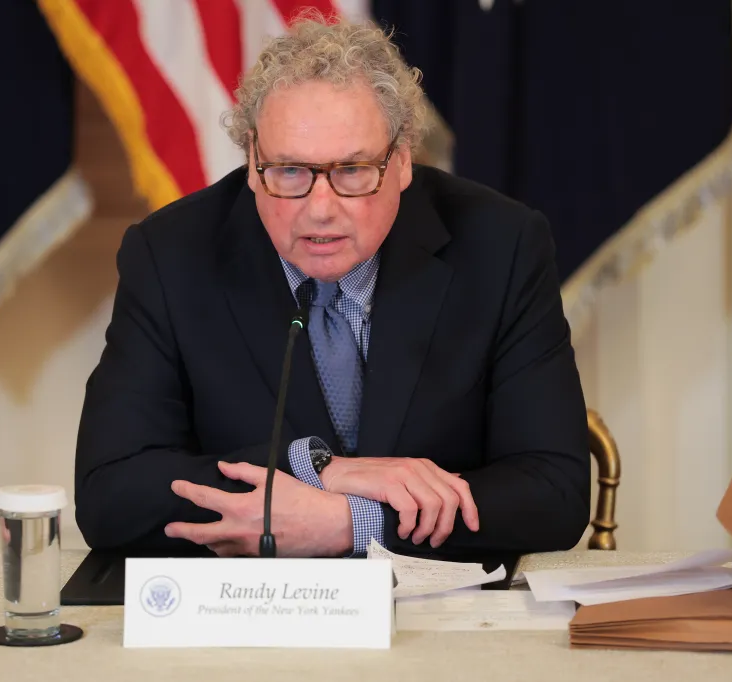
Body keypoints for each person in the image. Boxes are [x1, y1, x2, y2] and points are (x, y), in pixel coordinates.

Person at [74, 14, 590, 559]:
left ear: (402, 161)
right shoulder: (172, 254)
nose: (320, 210)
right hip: (248, 618)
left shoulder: (500, 245)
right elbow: (111, 492)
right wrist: (318, 469)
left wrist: (354, 522)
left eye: (353, 170)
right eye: (290, 171)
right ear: (252, 162)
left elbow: (554, 490)